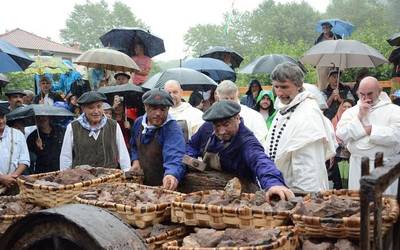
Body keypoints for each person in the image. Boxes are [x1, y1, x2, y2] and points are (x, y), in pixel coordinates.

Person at [187, 100, 294, 201]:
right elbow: (192, 145)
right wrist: (190, 158)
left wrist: (274, 183)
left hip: (242, 194)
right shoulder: (207, 128)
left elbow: (260, 160)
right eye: (217, 126)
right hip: (209, 189)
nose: (222, 131)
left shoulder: (247, 141)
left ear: (237, 118)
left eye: (226, 124)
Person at [265, 62, 337, 193]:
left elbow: (308, 165)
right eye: (276, 87)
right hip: (282, 186)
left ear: (298, 85)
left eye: (284, 87)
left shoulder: (308, 112)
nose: (279, 93)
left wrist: (303, 197)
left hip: (302, 191)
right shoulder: (283, 109)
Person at [336, 76, 400, 195]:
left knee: (384, 207)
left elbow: (396, 135)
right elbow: (341, 134)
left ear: (379, 92)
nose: (366, 98)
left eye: (370, 94)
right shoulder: (352, 112)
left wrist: (371, 130)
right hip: (357, 165)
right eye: (362, 94)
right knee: (358, 205)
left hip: (384, 165)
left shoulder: (394, 111)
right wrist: (359, 117)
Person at [59, 91, 131, 171]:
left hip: (110, 178)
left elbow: (123, 153)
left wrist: (127, 172)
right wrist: (65, 176)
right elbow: (66, 157)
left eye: (99, 106)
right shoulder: (72, 127)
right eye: (91, 107)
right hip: (83, 179)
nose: (96, 111)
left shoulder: (113, 126)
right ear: (83, 109)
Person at [130, 89, 186, 190]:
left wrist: (171, 174)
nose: (158, 113)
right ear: (146, 107)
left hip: (163, 186)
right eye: (154, 108)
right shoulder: (139, 123)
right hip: (142, 184)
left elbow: (175, 155)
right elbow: (133, 145)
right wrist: (135, 160)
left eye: (163, 109)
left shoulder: (172, 128)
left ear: (168, 109)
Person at [215, 80, 268, 148]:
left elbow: (260, 144)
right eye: (226, 99)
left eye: (232, 98)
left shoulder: (255, 116)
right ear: (218, 98)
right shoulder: (213, 118)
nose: (229, 102)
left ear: (237, 95)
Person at [0, 106, 29, 195]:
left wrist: (12, 178)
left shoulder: (17, 134)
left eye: (2, 117)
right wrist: (2, 178)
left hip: (14, 183)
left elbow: (25, 160)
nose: (1, 121)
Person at [328, 99, 354, 189]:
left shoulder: (356, 119)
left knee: (349, 181)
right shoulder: (335, 120)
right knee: (338, 181)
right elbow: (332, 136)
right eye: (344, 106)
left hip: (352, 156)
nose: (346, 109)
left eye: (349, 107)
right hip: (338, 155)